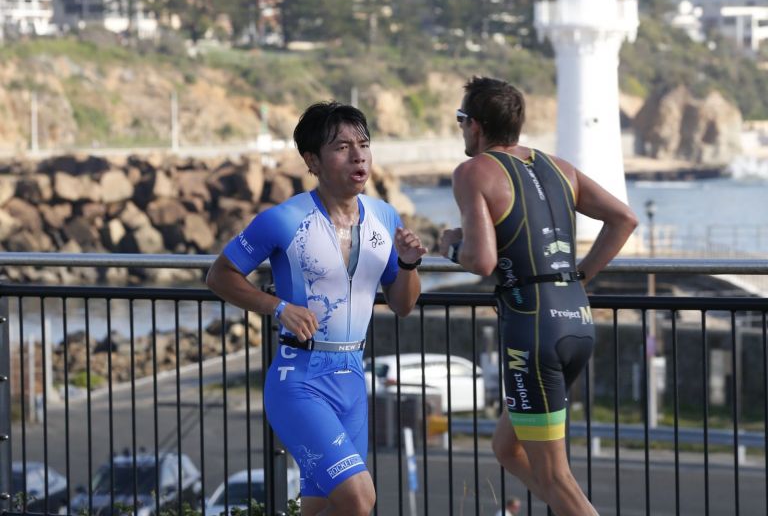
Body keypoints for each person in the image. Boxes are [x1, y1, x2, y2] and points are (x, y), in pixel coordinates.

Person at [206, 101, 427, 516]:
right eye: (342, 147)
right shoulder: (284, 219)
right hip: (299, 381)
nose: (358, 155)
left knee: (323, 509)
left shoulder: (384, 216)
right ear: (313, 161)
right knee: (359, 499)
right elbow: (220, 276)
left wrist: (410, 264)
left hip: (352, 382)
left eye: (363, 144)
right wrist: (277, 307)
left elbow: (402, 304)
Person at [439, 77, 637, 516]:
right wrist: (579, 276)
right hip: (576, 322)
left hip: (532, 330)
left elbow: (482, 260)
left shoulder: (473, 172)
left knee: (554, 475)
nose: (460, 130)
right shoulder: (559, 167)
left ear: (475, 125)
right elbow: (623, 218)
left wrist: (449, 245)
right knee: (507, 447)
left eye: (460, 121)